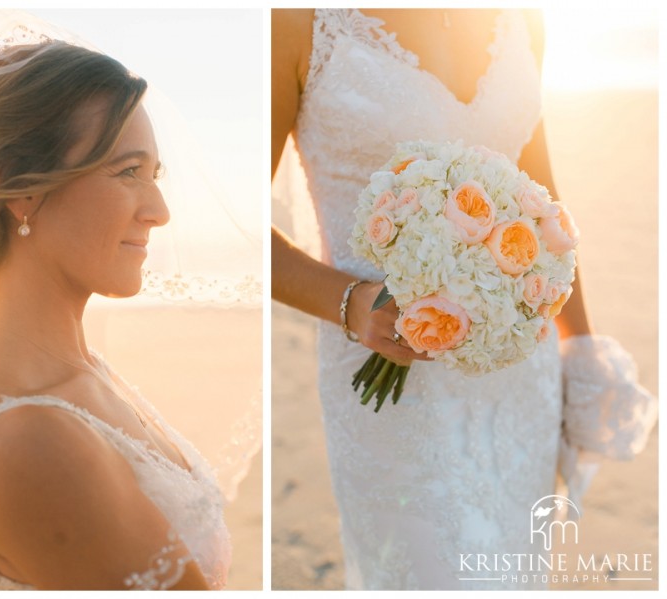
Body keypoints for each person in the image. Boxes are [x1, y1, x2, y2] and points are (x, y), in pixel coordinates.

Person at [271, 8, 656, 590]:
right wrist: (352, 303)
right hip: (390, 368)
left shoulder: (522, 20)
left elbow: (545, 209)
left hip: (518, 370)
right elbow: (244, 228)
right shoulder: (299, 23)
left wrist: (580, 348)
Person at [0, 10, 261, 591]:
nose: (159, 210)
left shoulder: (80, 375)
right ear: (22, 189)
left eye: (155, 173)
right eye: (128, 171)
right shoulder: (25, 440)